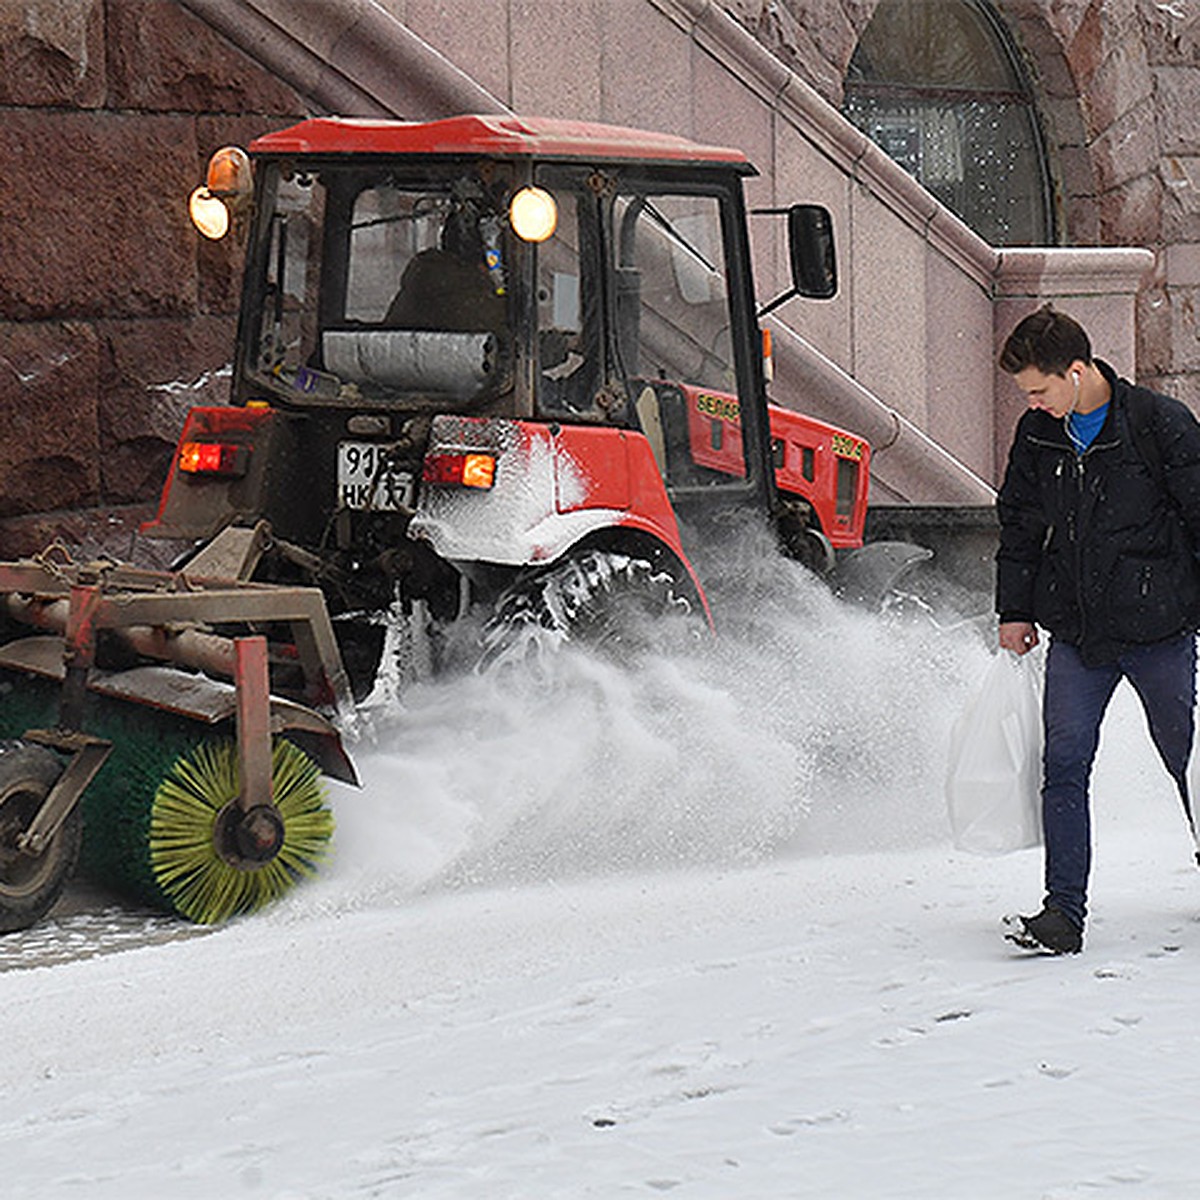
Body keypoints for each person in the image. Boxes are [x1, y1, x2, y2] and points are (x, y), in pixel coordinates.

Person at [994, 305, 1200, 954]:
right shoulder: (1038, 435)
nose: (1033, 403)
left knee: (1188, 762)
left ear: (1076, 372)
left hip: (1159, 628)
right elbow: (1021, 527)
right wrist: (1015, 611)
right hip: (1079, 636)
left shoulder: (1157, 425)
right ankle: (1064, 913)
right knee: (1064, 762)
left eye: (1039, 388)